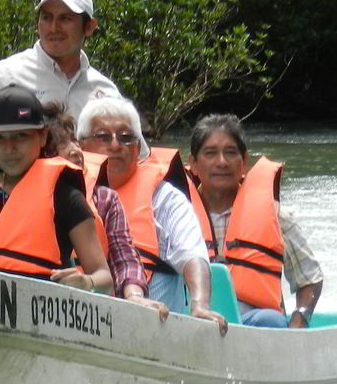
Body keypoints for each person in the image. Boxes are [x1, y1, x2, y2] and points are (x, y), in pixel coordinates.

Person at [0, 85, 112, 293]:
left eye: (21, 136)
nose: (9, 148)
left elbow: (104, 277)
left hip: (39, 303)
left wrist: (87, 282)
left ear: (42, 137)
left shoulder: (65, 196)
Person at [77, 96, 227, 334]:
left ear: (138, 149)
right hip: (81, 320)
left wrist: (200, 304)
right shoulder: (65, 193)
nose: (115, 145)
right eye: (103, 136)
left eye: (126, 137)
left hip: (150, 328)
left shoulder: (165, 198)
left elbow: (193, 254)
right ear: (81, 145)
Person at [184, 113, 324, 329]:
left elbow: (310, 278)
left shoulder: (275, 216)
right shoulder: (176, 214)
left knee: (270, 320)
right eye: (210, 153)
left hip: (254, 323)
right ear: (193, 163)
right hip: (189, 320)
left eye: (231, 153)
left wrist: (299, 320)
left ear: (244, 163)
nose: (222, 162)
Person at [43, 104, 169, 320]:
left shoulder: (105, 199)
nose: (74, 150)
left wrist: (134, 296)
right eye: (60, 145)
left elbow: (124, 258)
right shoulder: (12, 195)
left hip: (94, 310)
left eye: (73, 140)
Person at [0, 0, 121, 121]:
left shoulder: (106, 92)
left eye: (66, 19)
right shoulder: (6, 77)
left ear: (89, 27)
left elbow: (131, 144)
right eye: (47, 17)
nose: (54, 28)